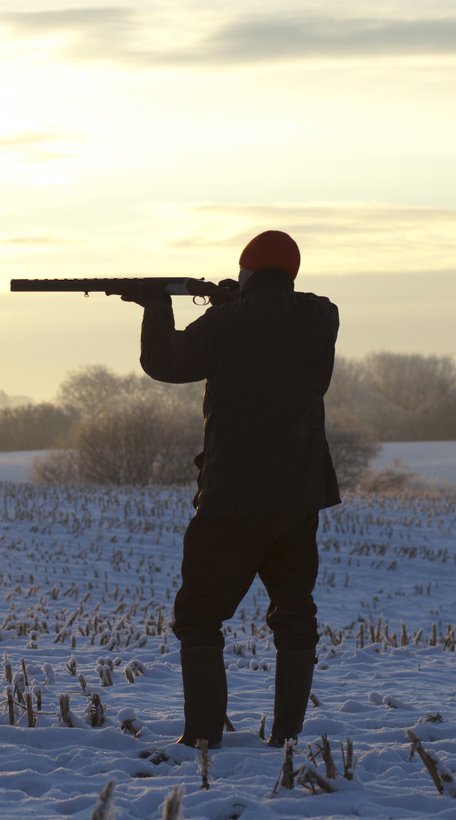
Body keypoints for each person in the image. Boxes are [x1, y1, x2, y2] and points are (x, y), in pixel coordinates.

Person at [117, 230, 340, 749]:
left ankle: (201, 739)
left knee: (198, 617)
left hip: (234, 497)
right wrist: (239, 296)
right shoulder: (320, 318)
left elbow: (165, 363)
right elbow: (285, 309)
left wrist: (155, 307)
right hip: (299, 496)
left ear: (245, 271)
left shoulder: (225, 323)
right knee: (294, 613)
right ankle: (287, 735)